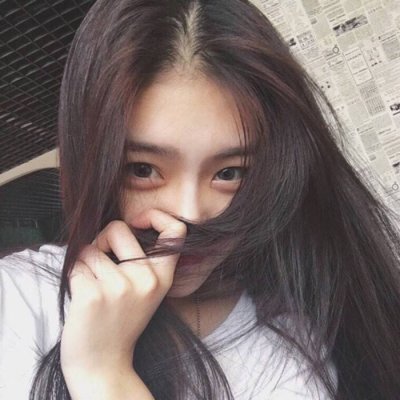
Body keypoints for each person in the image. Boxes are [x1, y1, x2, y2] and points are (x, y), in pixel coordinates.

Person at [1, 0, 400, 399]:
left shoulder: (292, 349)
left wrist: (103, 372)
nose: (190, 213)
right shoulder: (18, 299)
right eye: (142, 169)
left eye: (229, 173)